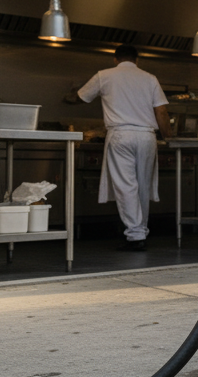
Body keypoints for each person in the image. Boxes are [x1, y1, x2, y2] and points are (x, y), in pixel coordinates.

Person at [66, 44, 173, 251]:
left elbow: (79, 97)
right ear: (137, 59)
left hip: (121, 135)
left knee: (126, 186)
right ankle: (139, 231)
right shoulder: (150, 78)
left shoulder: (104, 75)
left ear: (115, 59)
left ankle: (135, 235)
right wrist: (169, 137)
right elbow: (161, 111)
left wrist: (68, 95)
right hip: (146, 136)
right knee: (142, 184)